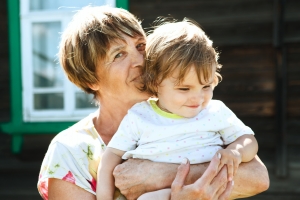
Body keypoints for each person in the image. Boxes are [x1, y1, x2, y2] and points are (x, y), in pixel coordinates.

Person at [37, 5, 269, 200]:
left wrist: (163, 174)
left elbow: (257, 177)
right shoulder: (70, 151)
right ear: (91, 79)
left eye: (140, 46)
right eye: (119, 54)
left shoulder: (195, 111)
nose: (140, 60)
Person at [96, 20, 258, 200]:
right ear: (156, 81)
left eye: (206, 86)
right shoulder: (140, 116)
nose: (198, 98)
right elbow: (112, 155)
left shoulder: (215, 112)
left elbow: (248, 140)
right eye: (184, 89)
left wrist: (236, 151)